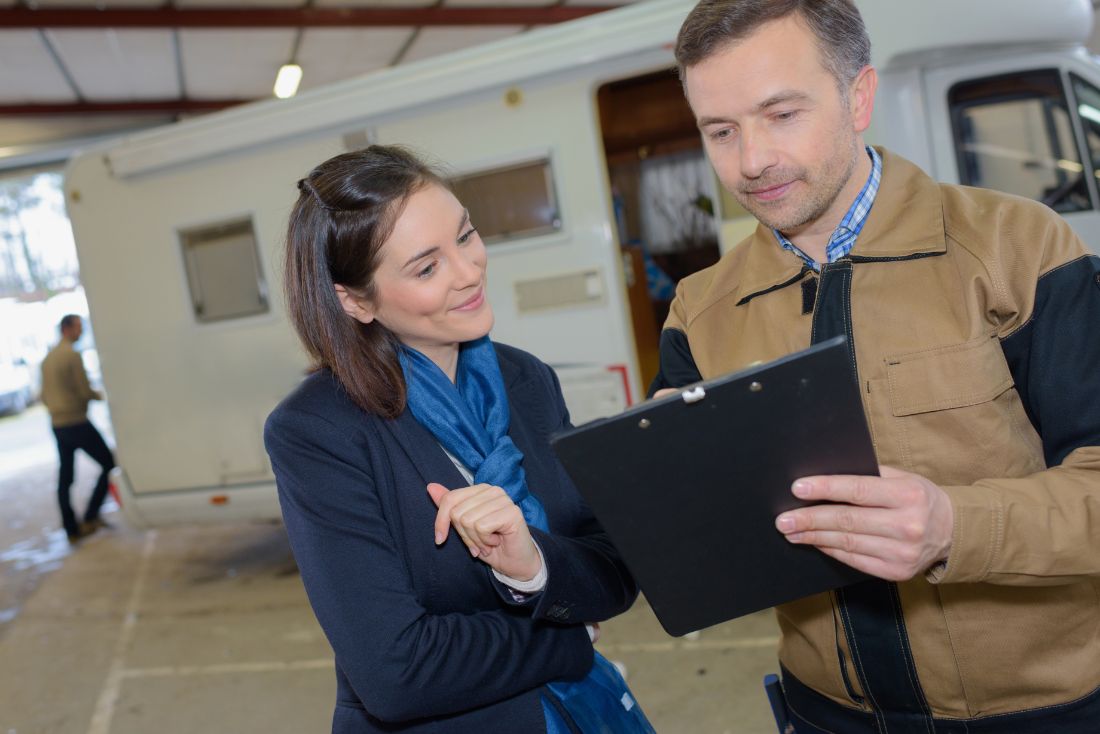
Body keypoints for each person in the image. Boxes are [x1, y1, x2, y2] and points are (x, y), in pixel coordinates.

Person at [651, 0, 1100, 731]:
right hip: (827, 713)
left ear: (858, 97)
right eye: (720, 131)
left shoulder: (1021, 249)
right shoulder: (699, 312)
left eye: (781, 114)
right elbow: (689, 526)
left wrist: (957, 524)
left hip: (1041, 711)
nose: (751, 159)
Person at [264, 145, 652, 734]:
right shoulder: (319, 432)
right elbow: (394, 673)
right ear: (356, 301)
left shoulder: (526, 380)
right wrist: (567, 635)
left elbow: (615, 570)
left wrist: (533, 567)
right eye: (427, 267)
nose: (469, 272)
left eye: (466, 237)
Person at [40, 314, 115, 543]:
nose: (81, 332)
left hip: (58, 424)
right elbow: (84, 391)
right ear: (67, 329)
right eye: (78, 328)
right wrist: (105, 396)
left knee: (66, 478)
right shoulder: (71, 355)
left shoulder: (48, 358)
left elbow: (43, 394)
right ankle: (91, 516)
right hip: (76, 422)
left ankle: (71, 529)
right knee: (109, 463)